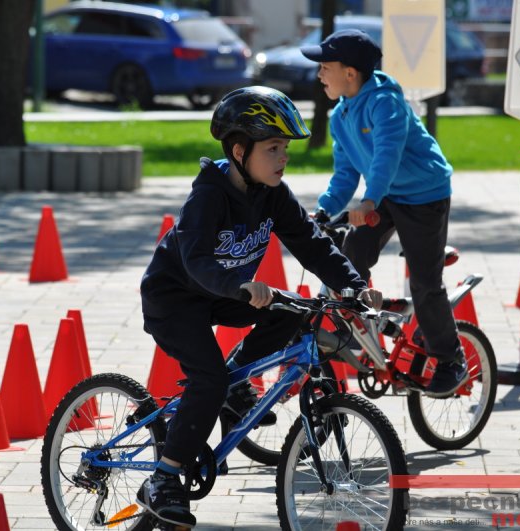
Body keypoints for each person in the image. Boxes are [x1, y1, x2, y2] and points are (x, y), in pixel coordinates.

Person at [138, 86, 381, 528]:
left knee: (295, 310)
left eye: (285, 148)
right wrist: (238, 285)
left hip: (224, 293)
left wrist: (354, 286)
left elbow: (312, 243)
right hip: (174, 299)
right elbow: (196, 260)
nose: (283, 157)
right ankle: (164, 478)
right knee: (208, 379)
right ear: (239, 151)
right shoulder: (208, 196)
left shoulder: (272, 193)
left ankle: (235, 384)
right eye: (272, 148)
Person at [300, 29, 467, 396]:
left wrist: (370, 201)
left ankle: (451, 360)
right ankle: (359, 322)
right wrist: (324, 211)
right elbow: (345, 174)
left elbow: (386, 156)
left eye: (325, 67)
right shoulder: (341, 116)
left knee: (424, 281)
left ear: (350, 73)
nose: (319, 74)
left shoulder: (385, 102)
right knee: (351, 254)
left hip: (424, 194)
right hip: (386, 194)